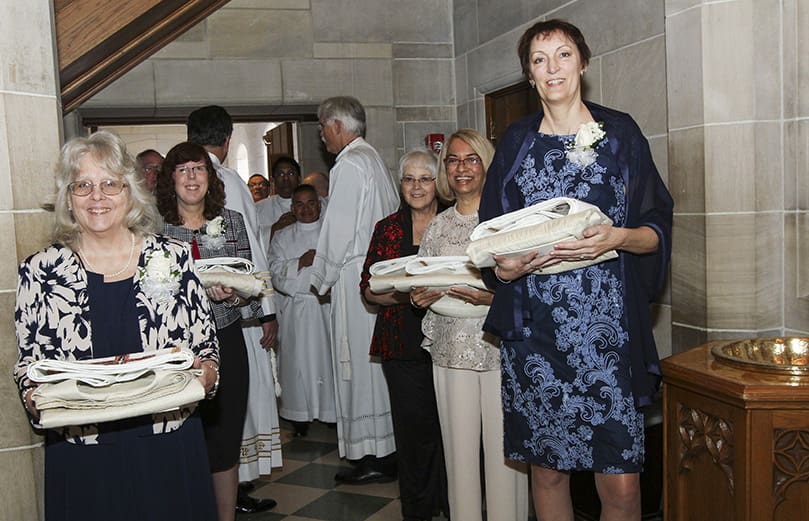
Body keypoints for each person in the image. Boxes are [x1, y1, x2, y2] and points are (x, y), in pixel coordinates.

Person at [479, 20, 674, 521]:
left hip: (609, 335)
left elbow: (656, 226)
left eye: (563, 55)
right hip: (535, 333)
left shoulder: (620, 133)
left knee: (623, 484)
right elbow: (489, 240)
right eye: (540, 60)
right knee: (547, 472)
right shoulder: (517, 142)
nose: (553, 68)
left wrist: (616, 238)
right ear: (529, 74)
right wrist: (505, 269)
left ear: (583, 63)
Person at [13, 131, 219, 521]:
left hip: (168, 440)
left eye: (110, 184)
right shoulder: (41, 271)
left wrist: (207, 373)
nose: (97, 197)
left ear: (131, 192)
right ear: (68, 198)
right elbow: (29, 364)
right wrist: (33, 395)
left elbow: (205, 344)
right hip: (84, 451)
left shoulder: (171, 257)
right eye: (83, 185)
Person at [410, 129, 529, 521]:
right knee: (458, 453)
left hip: (498, 347)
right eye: (453, 160)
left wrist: (491, 297)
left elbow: (530, 288)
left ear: (486, 164)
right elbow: (422, 280)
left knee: (504, 454)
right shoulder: (438, 226)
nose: (461, 168)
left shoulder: (506, 222)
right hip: (449, 347)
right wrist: (417, 296)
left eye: (471, 159)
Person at [156, 142, 275, 521]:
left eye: (199, 168)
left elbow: (254, 291)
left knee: (224, 441)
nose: (192, 177)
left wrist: (234, 296)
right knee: (179, 438)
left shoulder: (233, 221)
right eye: (183, 169)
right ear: (170, 179)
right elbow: (149, 296)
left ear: (210, 176)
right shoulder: (154, 229)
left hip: (226, 341)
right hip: (176, 349)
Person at [187, 105, 280, 514]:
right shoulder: (226, 179)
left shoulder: (187, 180)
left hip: (200, 318)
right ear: (226, 141)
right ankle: (233, 488)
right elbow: (252, 248)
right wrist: (268, 307)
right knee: (233, 405)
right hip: (231, 317)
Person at [310, 96, 400, 484]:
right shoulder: (373, 159)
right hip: (376, 274)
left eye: (322, 127)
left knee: (357, 367)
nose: (320, 134)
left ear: (336, 126)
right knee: (371, 368)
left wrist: (320, 279)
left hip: (353, 278)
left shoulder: (349, 164)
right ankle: (385, 448)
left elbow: (337, 231)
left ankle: (371, 455)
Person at [360, 148, 449, 521]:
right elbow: (367, 288)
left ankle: (453, 504)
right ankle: (417, 511)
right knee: (413, 436)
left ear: (437, 183)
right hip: (401, 345)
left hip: (449, 343)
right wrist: (405, 295)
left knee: (450, 433)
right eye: (409, 179)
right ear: (401, 184)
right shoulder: (388, 228)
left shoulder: (453, 223)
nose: (417, 186)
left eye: (425, 178)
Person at [269, 184, 336, 437]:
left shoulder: (332, 233)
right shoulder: (282, 236)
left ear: (319, 204)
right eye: (299, 204)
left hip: (325, 308)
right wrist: (300, 262)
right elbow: (274, 271)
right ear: (292, 207)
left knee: (327, 360)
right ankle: (299, 415)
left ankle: (331, 412)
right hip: (296, 311)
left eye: (311, 203)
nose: (305, 209)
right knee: (296, 362)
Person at [256, 156, 301, 252]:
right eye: (281, 174)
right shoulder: (258, 208)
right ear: (273, 180)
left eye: (291, 173)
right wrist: (274, 229)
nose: (286, 178)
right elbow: (253, 241)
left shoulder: (314, 204)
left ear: (299, 178)